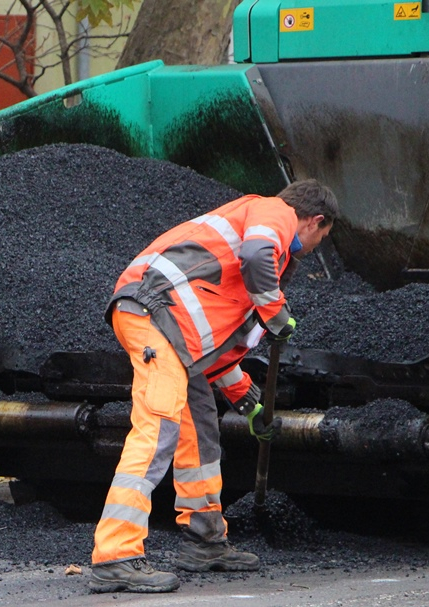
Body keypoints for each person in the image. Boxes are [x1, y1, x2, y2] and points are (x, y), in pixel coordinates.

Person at [89, 179, 338, 593]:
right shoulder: (274, 212)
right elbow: (258, 253)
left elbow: (221, 359)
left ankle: (204, 540)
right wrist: (275, 312)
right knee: (158, 429)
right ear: (314, 221)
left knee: (200, 424)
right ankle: (115, 555)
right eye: (321, 238)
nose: (313, 249)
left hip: (176, 333)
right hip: (156, 314)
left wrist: (251, 405)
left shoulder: (240, 282)